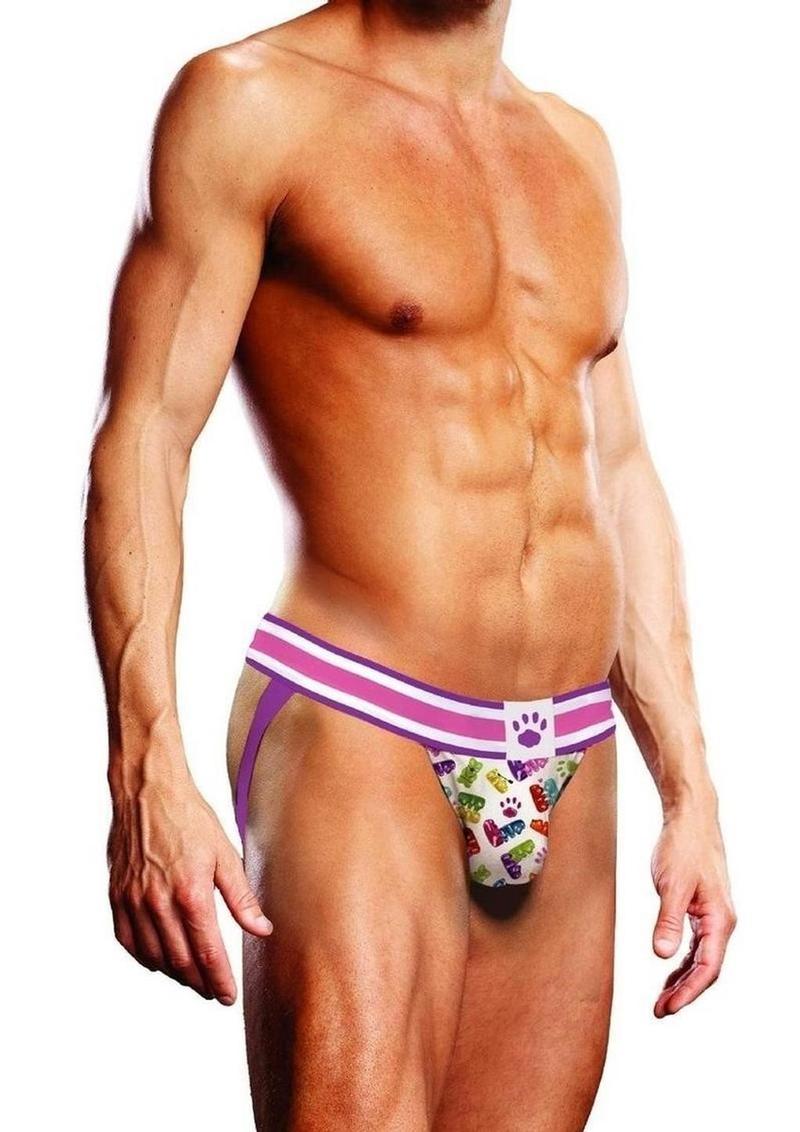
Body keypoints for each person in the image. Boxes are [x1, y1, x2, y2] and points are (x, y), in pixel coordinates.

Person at [84, 2, 736, 1128]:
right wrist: (144, 765)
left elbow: (620, 473)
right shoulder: (250, 101)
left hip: (570, 751)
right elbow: (144, 433)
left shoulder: (576, 147)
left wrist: (691, 786)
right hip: (364, 718)